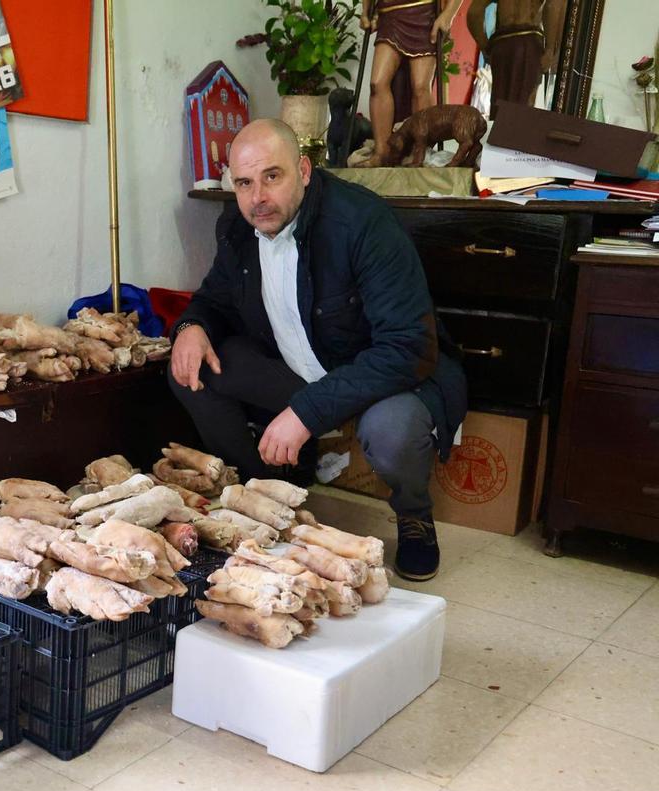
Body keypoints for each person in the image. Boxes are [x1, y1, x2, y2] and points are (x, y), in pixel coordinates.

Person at [168, 119, 467, 581]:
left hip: (381, 377)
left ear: (304, 171)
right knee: (190, 366)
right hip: (302, 368)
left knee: (392, 432)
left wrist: (306, 412)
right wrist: (191, 326)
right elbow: (214, 299)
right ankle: (266, 494)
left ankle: (414, 516)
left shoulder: (363, 222)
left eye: (272, 176)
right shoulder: (238, 226)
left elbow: (408, 347)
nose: (257, 197)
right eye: (244, 183)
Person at [360, 0, 463, 165]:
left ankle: (421, 152)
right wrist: (365, 11)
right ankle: (382, 151)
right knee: (377, 83)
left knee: (421, 88)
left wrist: (448, 15)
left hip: (423, 13)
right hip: (390, 14)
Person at [467, 0, 567, 118]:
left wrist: (485, 47)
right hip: (529, 42)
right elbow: (552, 6)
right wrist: (550, 48)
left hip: (501, 43)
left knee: (499, 109)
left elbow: (474, 12)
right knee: (521, 108)